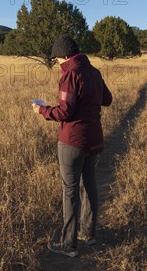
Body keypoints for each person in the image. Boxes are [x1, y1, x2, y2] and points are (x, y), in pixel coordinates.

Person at [32, 35, 113, 258]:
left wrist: (43, 111)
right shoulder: (94, 72)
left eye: (57, 59)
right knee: (89, 184)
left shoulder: (70, 74)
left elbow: (65, 111)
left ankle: (68, 244)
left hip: (72, 141)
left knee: (70, 190)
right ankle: (89, 233)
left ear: (65, 56)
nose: (57, 63)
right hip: (94, 139)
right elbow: (107, 99)